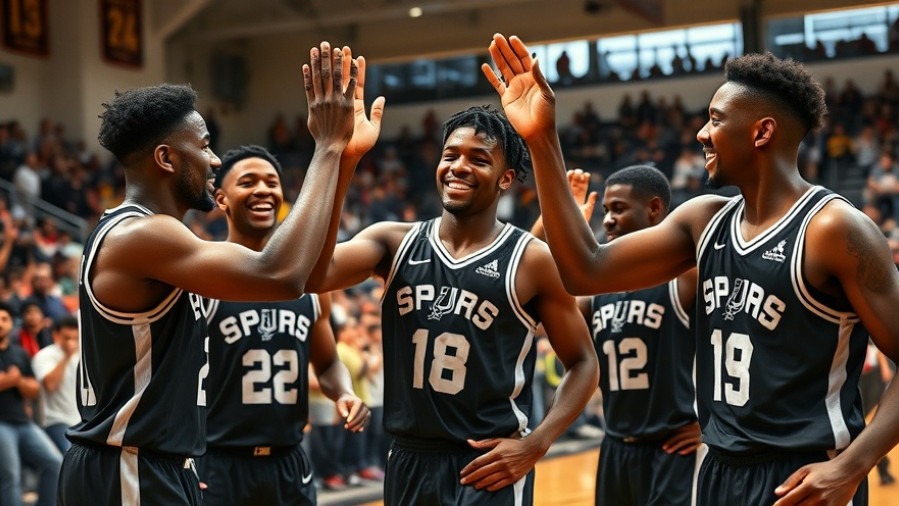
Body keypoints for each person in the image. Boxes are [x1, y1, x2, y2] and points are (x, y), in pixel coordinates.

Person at [484, 34, 899, 505]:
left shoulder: (834, 229)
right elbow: (586, 271)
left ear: (762, 133)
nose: (702, 133)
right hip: (717, 470)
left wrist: (852, 464)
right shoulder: (703, 220)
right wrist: (541, 139)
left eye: (716, 120)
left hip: (806, 474)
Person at [57, 41, 366, 506]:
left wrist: (342, 158)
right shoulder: (142, 236)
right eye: (204, 147)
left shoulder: (157, 238)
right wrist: (326, 146)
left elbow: (299, 276)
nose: (214, 160)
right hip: (129, 465)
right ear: (166, 159)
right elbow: (280, 274)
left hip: (159, 463)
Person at [305, 104, 599, 505]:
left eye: (479, 159)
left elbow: (584, 362)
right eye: (450, 155)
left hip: (487, 464)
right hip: (409, 459)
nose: (459, 166)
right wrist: (346, 158)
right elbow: (315, 274)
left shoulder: (530, 259)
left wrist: (536, 444)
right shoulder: (393, 241)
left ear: (505, 179)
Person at [197, 144, 371, 506]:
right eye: (248, 182)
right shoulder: (204, 279)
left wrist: (344, 393)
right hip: (218, 464)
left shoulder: (307, 285)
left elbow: (326, 363)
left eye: (271, 182)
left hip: (290, 462)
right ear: (222, 199)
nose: (263, 189)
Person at [534, 166, 702, 505]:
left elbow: (743, 339)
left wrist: (710, 423)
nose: (607, 219)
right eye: (606, 210)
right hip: (614, 446)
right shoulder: (594, 292)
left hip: (671, 447)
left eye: (619, 209)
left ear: (654, 209)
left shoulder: (685, 279)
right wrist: (554, 226)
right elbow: (532, 310)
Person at [0, 301, 63, 506]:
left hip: (23, 422)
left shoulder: (19, 353)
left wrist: (15, 380)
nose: (1, 323)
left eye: (5, 319)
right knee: (11, 476)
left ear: (11, 323)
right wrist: (15, 380)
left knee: (54, 463)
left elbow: (35, 390)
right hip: (1, 423)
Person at [31, 315, 80, 453]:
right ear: (55, 335)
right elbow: (51, 385)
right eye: (67, 338)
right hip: (54, 420)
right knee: (69, 455)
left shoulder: (83, 355)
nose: (72, 342)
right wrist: (67, 356)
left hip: (81, 421)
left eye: (75, 338)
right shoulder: (44, 355)